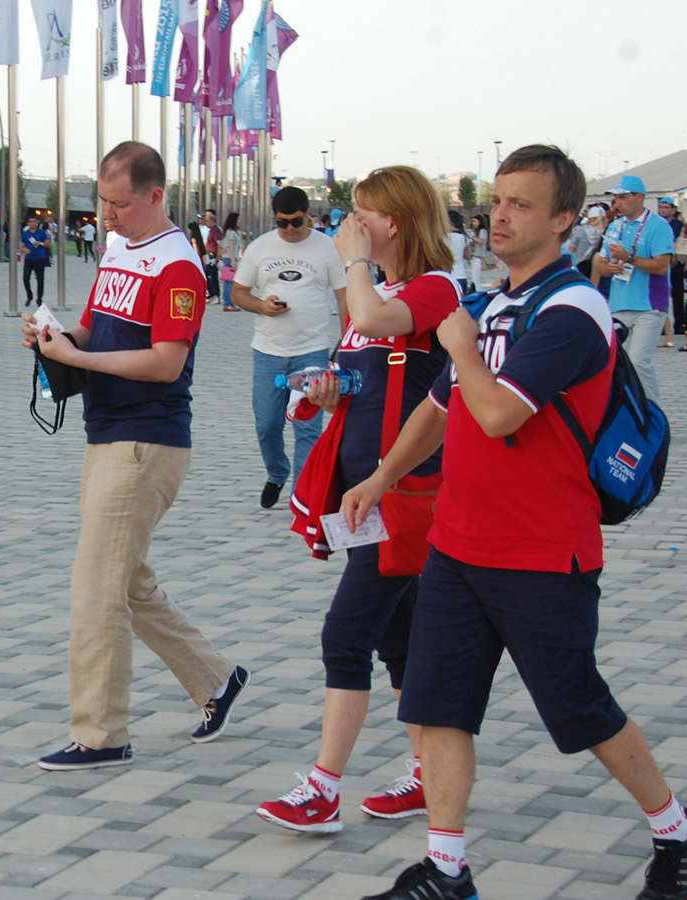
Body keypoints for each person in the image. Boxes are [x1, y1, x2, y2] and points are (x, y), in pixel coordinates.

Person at [342, 144, 687, 900]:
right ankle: (446, 870)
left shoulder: (573, 310)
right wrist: (381, 477)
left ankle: (678, 831)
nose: (499, 215)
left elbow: (500, 410)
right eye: (497, 200)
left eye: (521, 204)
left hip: (541, 553)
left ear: (564, 219)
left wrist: (464, 348)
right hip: (458, 546)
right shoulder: (491, 303)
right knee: (438, 705)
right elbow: (441, 408)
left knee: (576, 707)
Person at [21, 141, 249, 771]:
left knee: (96, 588)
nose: (109, 216)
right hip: (109, 432)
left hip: (147, 441)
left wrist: (79, 359)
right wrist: (55, 338)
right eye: (103, 202)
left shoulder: (179, 265)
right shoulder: (119, 248)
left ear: (155, 195)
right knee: (129, 581)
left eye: (120, 204)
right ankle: (215, 678)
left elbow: (165, 361)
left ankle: (101, 734)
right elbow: (94, 328)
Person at [256, 165, 460, 834]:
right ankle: (431, 774)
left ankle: (322, 789)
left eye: (362, 214)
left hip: (402, 493)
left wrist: (350, 264)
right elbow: (364, 370)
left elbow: (374, 319)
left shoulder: (432, 288)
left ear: (394, 222)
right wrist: (330, 388)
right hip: (362, 496)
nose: (351, 226)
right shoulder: (376, 290)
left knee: (345, 635)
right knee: (399, 641)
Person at [231, 186, 348, 509]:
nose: (290, 229)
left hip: (311, 350)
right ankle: (277, 471)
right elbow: (237, 292)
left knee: (308, 427)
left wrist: (348, 343)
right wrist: (260, 305)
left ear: (308, 214)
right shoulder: (259, 248)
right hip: (267, 352)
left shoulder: (327, 248)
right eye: (282, 223)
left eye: (296, 221)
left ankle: (303, 495)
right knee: (267, 425)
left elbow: (343, 295)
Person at [598, 175, 673, 406]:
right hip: (618, 305)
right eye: (615, 198)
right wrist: (609, 266)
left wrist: (629, 258)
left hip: (649, 306)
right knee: (619, 366)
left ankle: (653, 415)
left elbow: (662, 266)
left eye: (622, 197)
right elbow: (600, 264)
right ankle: (629, 414)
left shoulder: (657, 225)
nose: (617, 203)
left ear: (639, 197)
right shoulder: (615, 226)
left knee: (638, 361)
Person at [658, 197, 687, 335]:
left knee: (678, 294)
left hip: (676, 261)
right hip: (661, 260)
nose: (663, 210)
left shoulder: (678, 225)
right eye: (661, 207)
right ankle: (663, 325)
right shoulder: (656, 223)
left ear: (672, 209)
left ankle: (679, 323)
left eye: (666, 207)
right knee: (662, 294)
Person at [567, 204, 607, 277]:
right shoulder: (607, 233)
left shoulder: (581, 231)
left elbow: (570, 251)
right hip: (600, 270)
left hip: (579, 267)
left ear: (591, 219)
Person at [20, 216, 51, 307]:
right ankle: (29, 296)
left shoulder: (42, 232)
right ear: (28, 223)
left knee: (40, 280)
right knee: (25, 278)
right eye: (31, 221)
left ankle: (39, 299)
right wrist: (24, 250)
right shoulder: (26, 233)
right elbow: (21, 245)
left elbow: (49, 244)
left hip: (39, 259)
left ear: (37, 223)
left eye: (34, 221)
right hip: (29, 259)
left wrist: (40, 243)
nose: (33, 223)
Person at [219, 211, 242, 312]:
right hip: (229, 258)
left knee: (230, 282)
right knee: (229, 282)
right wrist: (233, 261)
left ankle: (230, 302)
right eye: (238, 219)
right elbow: (231, 247)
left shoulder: (232, 232)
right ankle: (227, 303)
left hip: (231, 257)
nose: (239, 221)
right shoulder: (231, 232)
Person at [447, 209, 471, 294]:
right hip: (460, 275)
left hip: (446, 275)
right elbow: (468, 256)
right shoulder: (463, 237)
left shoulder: (440, 238)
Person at [203, 209, 223, 304]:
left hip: (213, 256)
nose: (205, 223)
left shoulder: (216, 231)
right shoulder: (212, 230)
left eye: (207, 221)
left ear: (212, 221)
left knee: (205, 274)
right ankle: (217, 295)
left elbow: (219, 243)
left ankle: (213, 293)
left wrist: (218, 255)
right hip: (211, 255)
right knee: (214, 276)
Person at [468, 214, 488, 292]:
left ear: (479, 222)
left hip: (478, 256)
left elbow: (481, 240)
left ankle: (477, 291)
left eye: (474, 221)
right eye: (472, 221)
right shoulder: (475, 231)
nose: (473, 223)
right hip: (474, 256)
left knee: (476, 278)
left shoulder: (482, 231)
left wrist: (472, 237)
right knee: (474, 277)